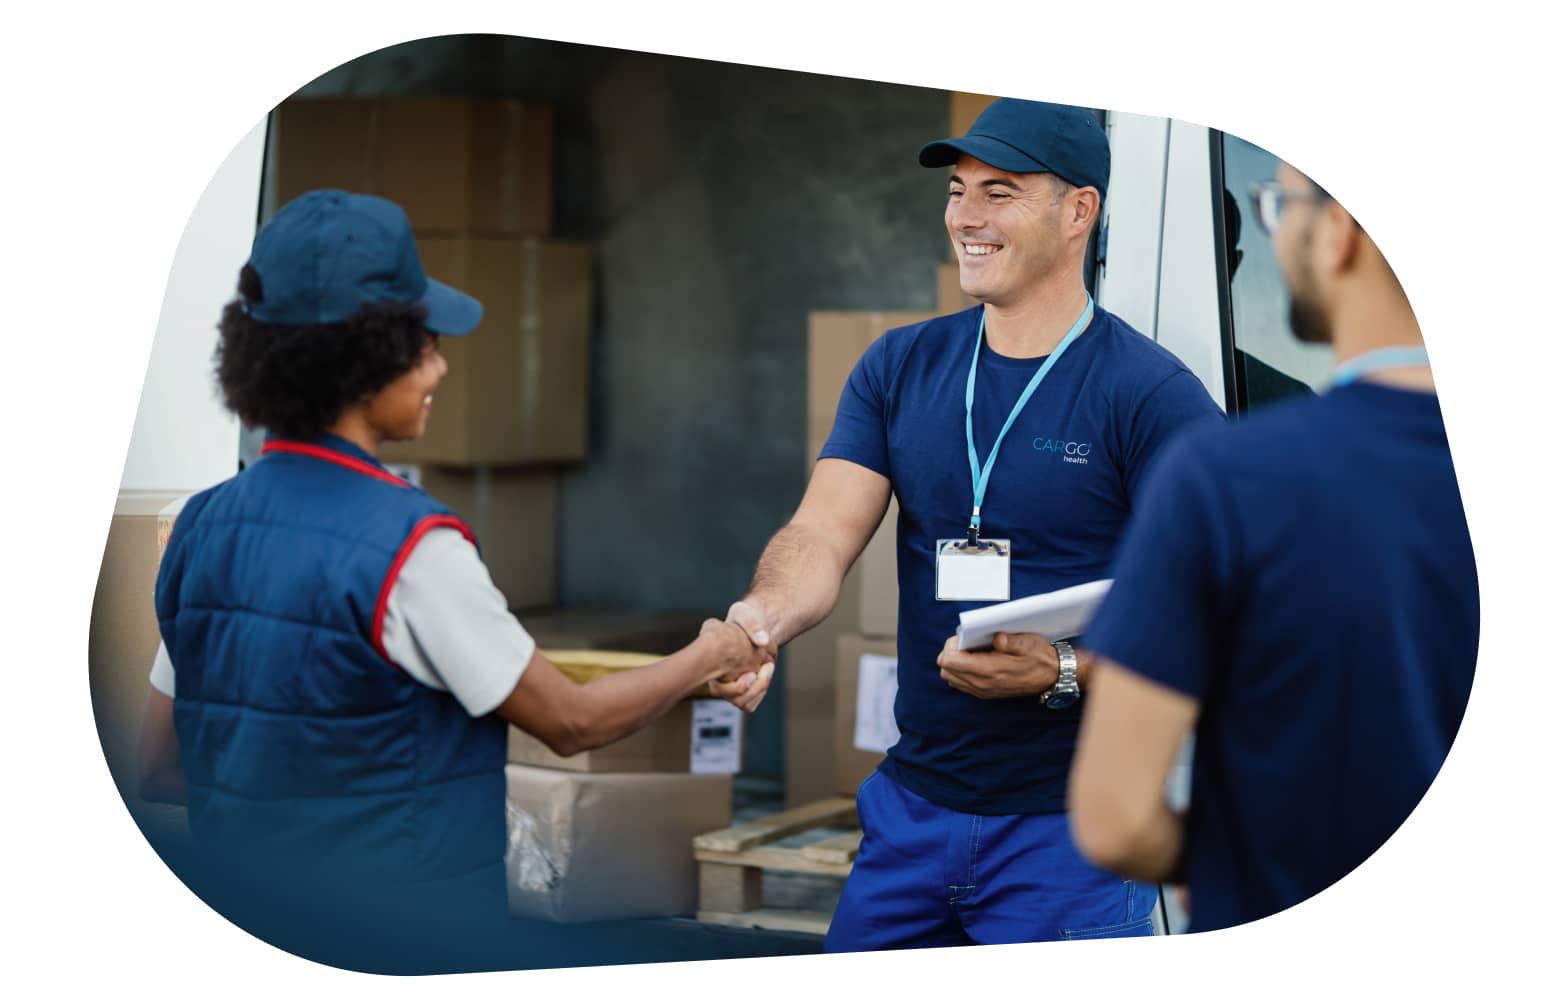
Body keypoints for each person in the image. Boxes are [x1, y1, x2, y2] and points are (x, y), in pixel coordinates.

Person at [135, 189, 770, 972]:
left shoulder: (198, 527)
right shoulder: (411, 549)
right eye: (424, 343)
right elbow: (571, 722)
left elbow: (160, 765)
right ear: (364, 359)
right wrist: (711, 653)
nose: (438, 365)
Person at [711, 99, 1224, 950]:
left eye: (999, 192)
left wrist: (1065, 668)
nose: (965, 217)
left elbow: (1229, 610)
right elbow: (821, 533)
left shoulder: (1149, 393)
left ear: (1079, 212)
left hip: (1070, 831)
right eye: (956, 191)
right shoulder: (899, 365)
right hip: (911, 815)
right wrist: (761, 618)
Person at [1067, 161, 1478, 932]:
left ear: (1342, 231)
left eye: (1278, 204)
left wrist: (1211, 859)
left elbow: (1114, 816)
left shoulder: (1228, 477)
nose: (1274, 230)